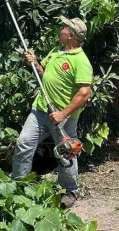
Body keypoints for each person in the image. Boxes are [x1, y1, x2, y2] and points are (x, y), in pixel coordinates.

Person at [13, 17, 93, 209]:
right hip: (41, 110)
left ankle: (69, 191)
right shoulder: (56, 52)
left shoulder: (81, 61)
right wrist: (35, 63)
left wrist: (63, 114)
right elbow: (44, 73)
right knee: (24, 142)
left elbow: (84, 94)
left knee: (67, 153)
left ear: (71, 35)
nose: (61, 29)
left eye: (65, 28)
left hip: (63, 118)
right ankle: (19, 185)